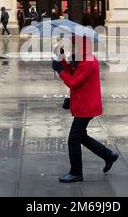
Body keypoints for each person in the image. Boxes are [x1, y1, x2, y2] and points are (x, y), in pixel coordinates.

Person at [51, 36, 119, 183]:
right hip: (83, 103)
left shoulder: (88, 62)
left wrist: (60, 71)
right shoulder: (82, 58)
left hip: (86, 106)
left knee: (73, 139)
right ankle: (108, 155)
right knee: (81, 136)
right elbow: (71, 70)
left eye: (74, 45)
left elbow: (74, 82)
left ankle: (76, 172)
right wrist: (61, 59)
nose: (71, 48)